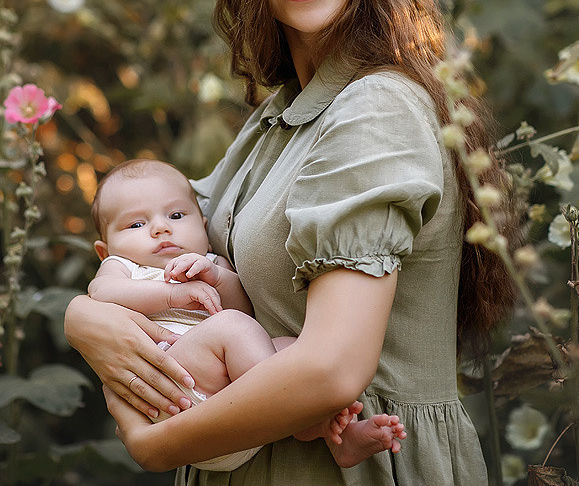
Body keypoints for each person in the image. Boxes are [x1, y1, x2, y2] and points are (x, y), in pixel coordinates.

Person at [65, 0, 521, 486]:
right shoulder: (278, 118)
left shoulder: (374, 109)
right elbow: (160, 246)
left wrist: (157, 442)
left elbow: (333, 368)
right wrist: (83, 318)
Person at [87, 157, 407, 470]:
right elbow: (103, 292)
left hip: (235, 409)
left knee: (290, 347)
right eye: (137, 224)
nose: (160, 229)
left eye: (176, 214)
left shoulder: (210, 264)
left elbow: (244, 311)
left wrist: (215, 277)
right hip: (171, 391)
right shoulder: (123, 267)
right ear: (105, 249)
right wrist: (173, 294)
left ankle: (333, 434)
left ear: (201, 224)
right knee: (232, 327)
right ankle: (302, 419)